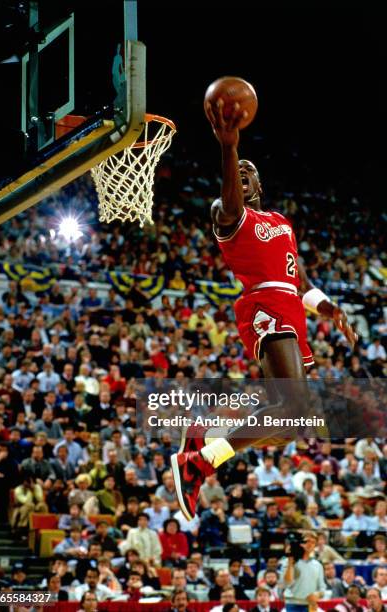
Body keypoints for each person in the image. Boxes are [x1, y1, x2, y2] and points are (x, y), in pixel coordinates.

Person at [170, 97, 356, 521]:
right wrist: (229, 148)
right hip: (265, 303)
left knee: (289, 426)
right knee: (294, 408)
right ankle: (199, 462)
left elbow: (302, 282)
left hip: (290, 304)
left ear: (262, 183)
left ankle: (207, 438)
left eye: (250, 171)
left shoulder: (281, 223)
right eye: (238, 173)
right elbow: (231, 201)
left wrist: (328, 309)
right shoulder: (227, 213)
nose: (243, 174)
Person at [281, 531, 327, 612]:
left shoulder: (318, 565)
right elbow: (286, 583)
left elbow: (322, 588)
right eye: (307, 541)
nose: (309, 544)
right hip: (293, 604)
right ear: (300, 543)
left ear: (315, 546)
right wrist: (290, 562)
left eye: (313, 542)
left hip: (311, 605)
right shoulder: (288, 561)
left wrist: (318, 594)